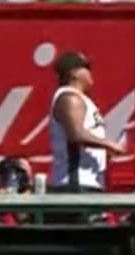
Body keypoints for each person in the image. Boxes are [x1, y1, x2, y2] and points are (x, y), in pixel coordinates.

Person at [48, 51, 127, 193]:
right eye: (87, 67)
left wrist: (105, 152)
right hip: (74, 183)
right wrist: (109, 144)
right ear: (74, 73)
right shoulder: (70, 98)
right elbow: (75, 134)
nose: (91, 72)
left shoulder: (81, 99)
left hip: (89, 182)